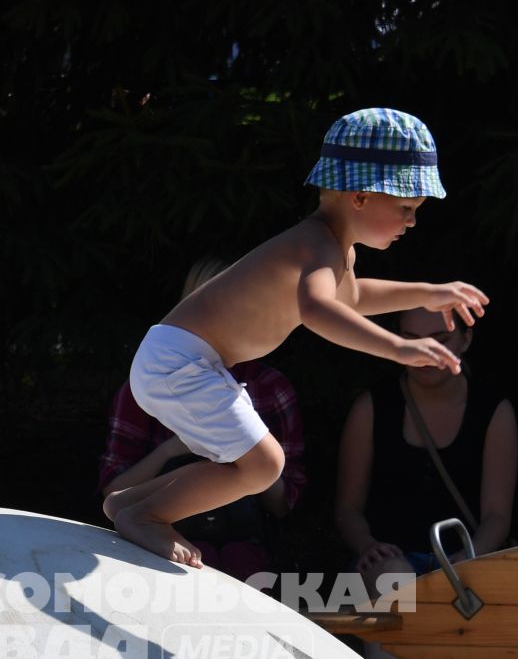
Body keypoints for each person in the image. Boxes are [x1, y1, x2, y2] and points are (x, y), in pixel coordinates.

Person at [104, 107, 486, 567]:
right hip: (180, 362)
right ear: (361, 196)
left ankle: (126, 503)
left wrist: (429, 292)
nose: (412, 221)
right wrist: (398, 348)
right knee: (264, 465)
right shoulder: (317, 244)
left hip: (182, 359)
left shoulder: (330, 248)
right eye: (406, 208)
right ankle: (145, 516)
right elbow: (320, 310)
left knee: (248, 463)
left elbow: (353, 296)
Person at [337, 306, 518, 659]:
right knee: (394, 575)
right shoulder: (373, 406)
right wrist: (366, 546)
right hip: (387, 558)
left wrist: (465, 560)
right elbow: (347, 510)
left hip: (458, 558)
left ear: (465, 340)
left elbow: (496, 516)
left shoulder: (493, 410)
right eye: (412, 339)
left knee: (452, 585)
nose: (426, 352)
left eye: (440, 338)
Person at [101, 258, 306, 579]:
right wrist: (172, 450)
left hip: (241, 536)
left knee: (247, 480)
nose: (229, 316)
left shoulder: (269, 387)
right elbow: (112, 480)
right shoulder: (164, 377)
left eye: (244, 305)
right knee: (260, 465)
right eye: (211, 303)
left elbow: (283, 501)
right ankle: (145, 513)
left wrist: (247, 441)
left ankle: (134, 506)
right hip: (175, 535)